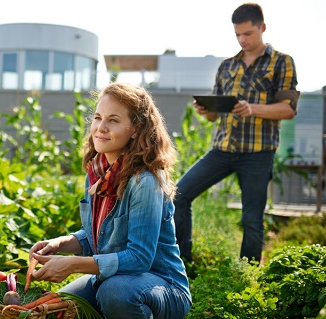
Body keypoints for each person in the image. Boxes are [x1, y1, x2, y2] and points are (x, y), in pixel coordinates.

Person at [29, 83, 192, 319]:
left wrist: (73, 265)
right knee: (60, 305)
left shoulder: (144, 181)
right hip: (112, 278)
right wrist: (60, 244)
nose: (100, 128)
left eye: (113, 120)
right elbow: (98, 234)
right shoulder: (97, 173)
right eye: (97, 118)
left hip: (162, 286)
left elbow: (139, 258)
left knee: (114, 293)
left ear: (135, 129)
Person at [173, 2, 299, 264]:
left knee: (252, 219)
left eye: (248, 34)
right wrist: (205, 110)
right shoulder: (227, 66)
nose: (242, 39)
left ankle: (247, 275)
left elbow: (288, 109)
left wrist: (252, 108)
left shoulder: (282, 62)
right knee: (178, 195)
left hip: (257, 154)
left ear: (262, 28)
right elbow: (215, 115)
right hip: (223, 149)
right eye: (237, 35)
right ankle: (182, 264)